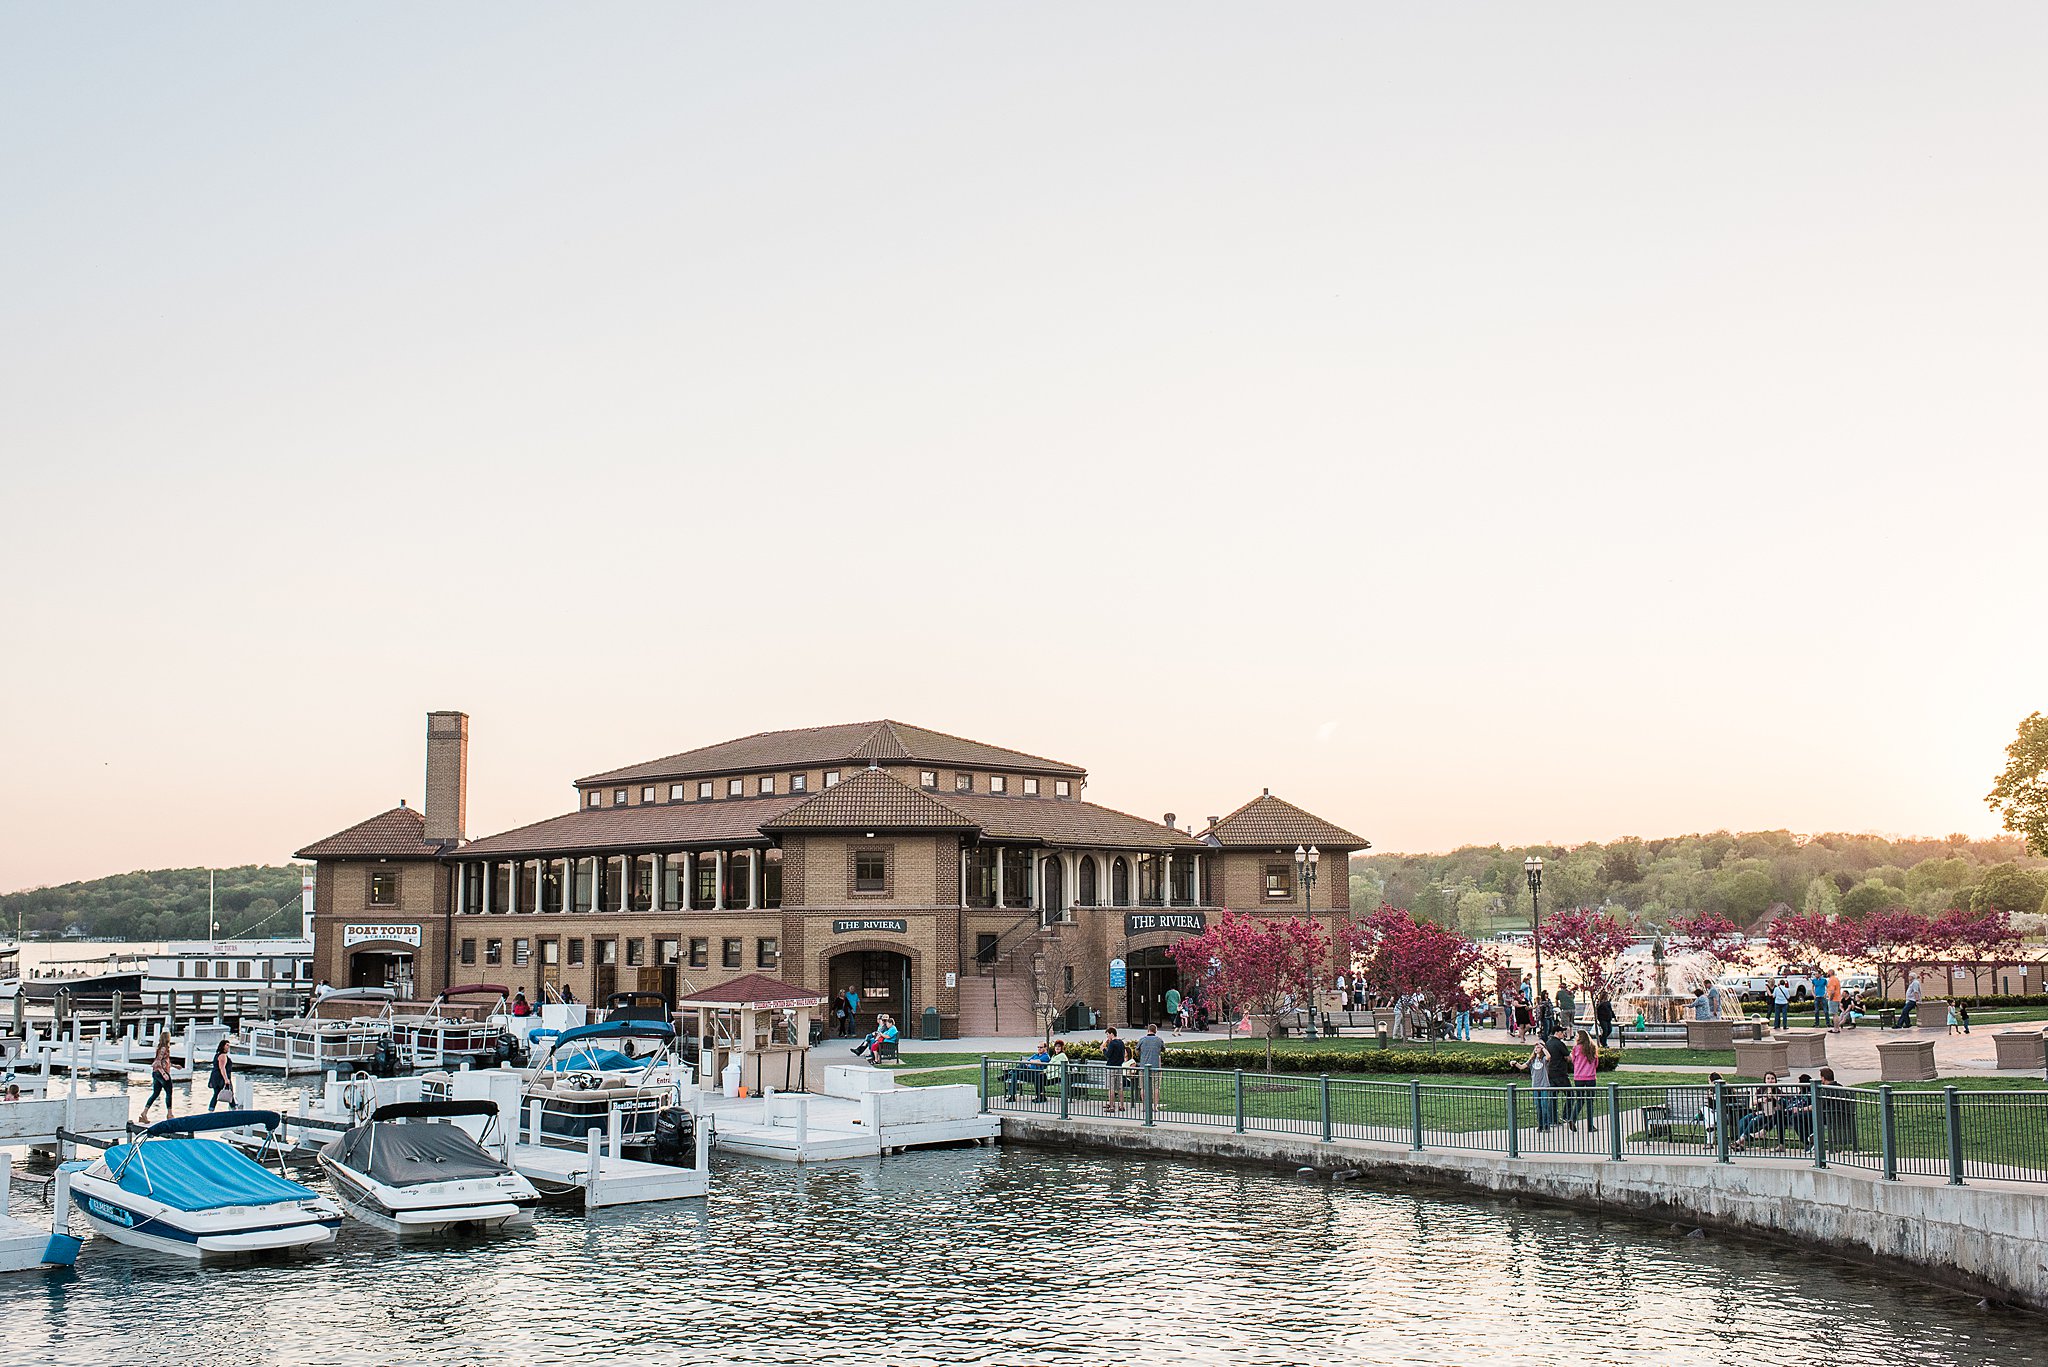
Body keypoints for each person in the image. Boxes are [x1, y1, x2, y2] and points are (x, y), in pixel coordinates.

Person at [1732, 1071, 1786, 1149]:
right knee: (1743, 1120)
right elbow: (1753, 1103)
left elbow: (1781, 1105)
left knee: (1753, 1121)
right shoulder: (1760, 1090)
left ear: (1775, 1080)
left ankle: (1740, 1140)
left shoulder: (1778, 1091)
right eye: (1768, 1078)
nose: (1770, 1080)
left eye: (1772, 1079)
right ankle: (1741, 1144)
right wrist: (1761, 1100)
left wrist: (1774, 1096)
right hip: (1759, 1112)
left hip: (1770, 1115)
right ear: (1765, 1080)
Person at [1565, 1029, 1598, 1132]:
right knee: (1590, 1101)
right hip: (1590, 1077)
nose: (1575, 1037)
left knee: (1579, 1099)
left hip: (1578, 1077)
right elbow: (1596, 1062)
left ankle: (1572, 1119)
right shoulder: (1592, 1048)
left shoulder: (1576, 1048)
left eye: (1577, 1036)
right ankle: (1590, 1125)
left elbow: (1573, 1061)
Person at [139, 1034, 176, 1122]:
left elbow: (164, 1061)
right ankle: (170, 1114)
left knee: (155, 1093)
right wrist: (164, 1074)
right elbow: (158, 1062)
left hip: (156, 1073)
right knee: (169, 1093)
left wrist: (174, 1066)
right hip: (161, 1073)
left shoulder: (160, 1049)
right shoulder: (163, 1048)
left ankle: (144, 1113)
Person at [1527, 1039, 1554, 1132]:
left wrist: (1542, 1047)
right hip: (1535, 1086)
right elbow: (1523, 1066)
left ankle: (1547, 1125)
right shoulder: (1532, 1060)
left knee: (1544, 1106)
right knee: (1538, 1107)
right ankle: (1540, 1125)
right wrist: (1515, 1063)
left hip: (1544, 1086)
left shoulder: (1544, 1059)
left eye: (1538, 1047)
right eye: (1535, 1047)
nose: (1536, 1048)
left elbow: (1549, 1056)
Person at [1137, 1024, 1165, 1109]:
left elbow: (1137, 1050)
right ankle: (1155, 1106)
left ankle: (1145, 1106)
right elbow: (1163, 1049)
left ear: (1148, 1030)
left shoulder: (1142, 1040)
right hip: (1156, 1067)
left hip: (1143, 1067)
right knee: (1156, 1088)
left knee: (1143, 1087)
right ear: (1155, 1031)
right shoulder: (1159, 1040)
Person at [1102, 1028, 1128, 1112]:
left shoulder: (1112, 1043)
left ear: (1111, 1034)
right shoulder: (1121, 1042)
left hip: (1111, 1067)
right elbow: (1123, 1054)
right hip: (1119, 1067)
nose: (1107, 1036)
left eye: (1107, 1034)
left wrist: (1103, 1049)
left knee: (1111, 1088)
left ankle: (1112, 1107)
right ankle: (1121, 1106)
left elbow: (1108, 1055)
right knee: (1120, 1088)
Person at [206, 1038, 234, 1112]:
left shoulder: (217, 1055)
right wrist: (226, 1079)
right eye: (227, 1045)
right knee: (229, 1092)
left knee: (217, 1093)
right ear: (223, 1046)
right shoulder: (223, 1056)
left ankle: (211, 1109)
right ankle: (234, 1108)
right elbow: (222, 1068)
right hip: (220, 1077)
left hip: (216, 1077)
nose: (228, 1047)